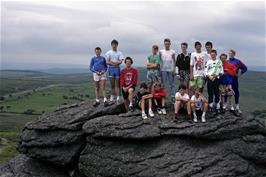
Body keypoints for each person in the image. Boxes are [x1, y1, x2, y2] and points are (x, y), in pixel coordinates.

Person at [224, 49, 247, 115]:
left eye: (231, 54)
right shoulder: (226, 61)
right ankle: (225, 105)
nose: (230, 55)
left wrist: (240, 74)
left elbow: (245, 68)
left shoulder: (237, 61)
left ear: (234, 54)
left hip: (234, 79)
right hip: (227, 79)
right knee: (226, 92)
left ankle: (237, 106)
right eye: (229, 53)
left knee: (236, 92)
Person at [205, 50, 224, 114]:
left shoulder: (219, 62)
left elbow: (222, 71)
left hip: (216, 79)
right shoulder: (208, 62)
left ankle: (217, 106)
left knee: (217, 93)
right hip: (210, 79)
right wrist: (209, 76)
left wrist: (217, 75)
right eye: (212, 54)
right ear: (210, 55)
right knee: (210, 92)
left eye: (214, 54)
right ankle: (210, 106)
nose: (213, 55)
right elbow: (205, 71)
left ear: (216, 54)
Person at [105, 39, 124, 104]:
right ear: (111, 45)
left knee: (117, 84)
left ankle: (118, 96)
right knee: (112, 84)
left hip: (117, 69)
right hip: (111, 69)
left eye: (115, 45)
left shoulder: (120, 53)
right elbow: (107, 61)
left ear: (117, 45)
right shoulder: (108, 53)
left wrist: (113, 63)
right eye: (113, 45)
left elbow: (121, 61)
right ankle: (112, 96)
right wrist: (115, 63)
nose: (114, 46)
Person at [159, 38, 176, 103]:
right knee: (163, 84)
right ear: (164, 44)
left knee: (172, 84)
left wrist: (174, 69)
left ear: (170, 44)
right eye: (166, 44)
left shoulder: (173, 51)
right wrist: (159, 70)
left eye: (168, 44)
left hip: (170, 70)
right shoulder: (161, 51)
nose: (167, 45)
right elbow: (160, 61)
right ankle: (162, 97)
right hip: (163, 70)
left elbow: (174, 61)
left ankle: (173, 97)